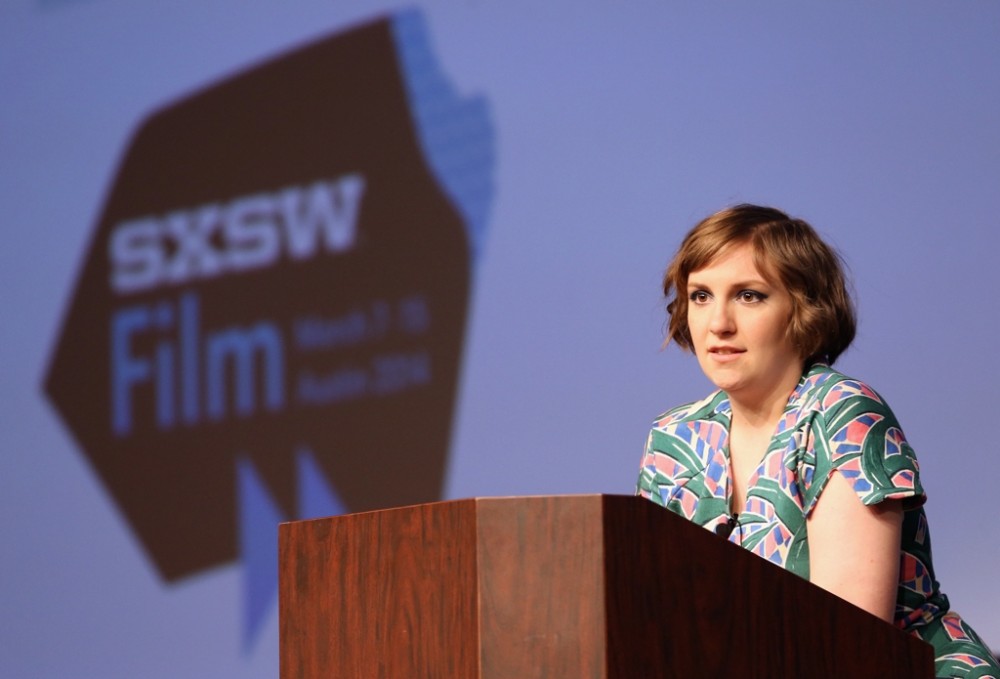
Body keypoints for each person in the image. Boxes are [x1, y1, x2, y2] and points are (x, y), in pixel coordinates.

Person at [636, 204, 999, 678]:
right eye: (701, 296)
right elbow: (654, 624)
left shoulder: (843, 415)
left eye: (749, 296)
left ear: (805, 310)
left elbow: (848, 641)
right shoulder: (674, 439)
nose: (717, 323)